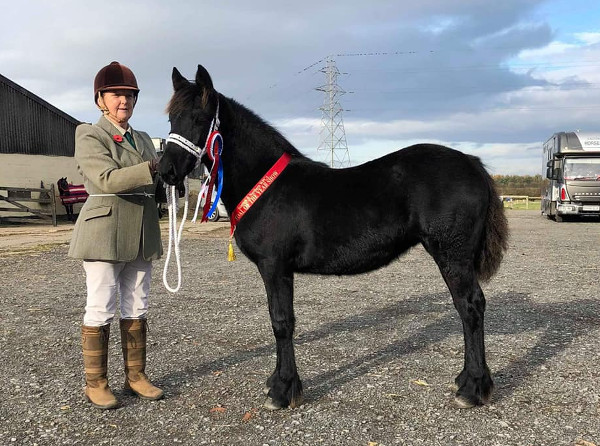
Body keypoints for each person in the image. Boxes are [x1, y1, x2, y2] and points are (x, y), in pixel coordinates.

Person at [68, 61, 164, 409]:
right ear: (101, 100)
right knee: (101, 305)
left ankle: (136, 376)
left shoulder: (142, 139)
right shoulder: (89, 134)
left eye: (129, 95)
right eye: (116, 94)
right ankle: (96, 382)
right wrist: (152, 168)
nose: (124, 100)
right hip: (105, 231)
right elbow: (105, 179)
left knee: (137, 305)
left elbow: (154, 184)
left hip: (141, 230)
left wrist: (170, 177)